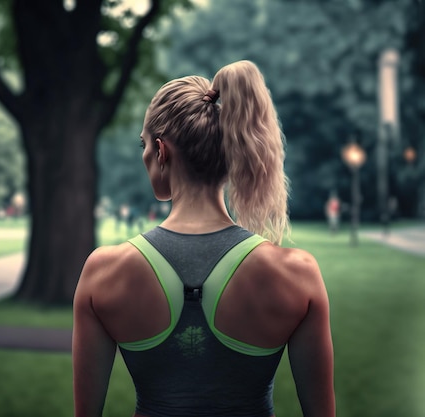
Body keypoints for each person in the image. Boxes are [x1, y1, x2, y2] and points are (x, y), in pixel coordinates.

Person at [72, 60, 335, 417]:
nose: (146, 155)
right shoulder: (298, 275)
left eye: (144, 146)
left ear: (161, 151)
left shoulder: (103, 272)